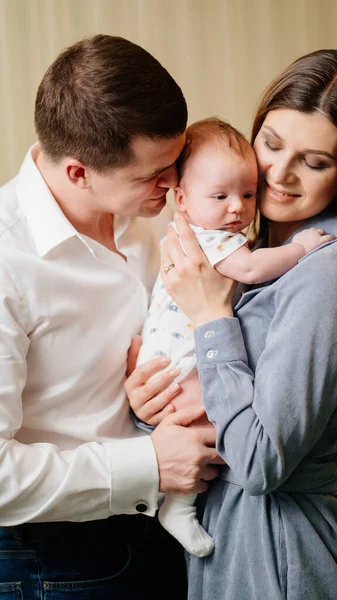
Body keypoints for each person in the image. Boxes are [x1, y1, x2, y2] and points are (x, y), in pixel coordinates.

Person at [128, 49, 337, 599]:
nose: (279, 173)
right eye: (271, 144)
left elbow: (260, 460)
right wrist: (151, 398)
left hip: (279, 559)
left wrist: (210, 317)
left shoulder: (330, 277)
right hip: (224, 547)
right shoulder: (240, 249)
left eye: (315, 162)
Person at [0, 34, 224, 599]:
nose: (175, 185)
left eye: (175, 164)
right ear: (79, 172)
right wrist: (144, 462)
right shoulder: (8, 260)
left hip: (156, 533)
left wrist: (142, 403)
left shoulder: (139, 221)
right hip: (51, 558)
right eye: (155, 174)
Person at [135, 116, 334, 558]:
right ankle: (179, 508)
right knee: (201, 437)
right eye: (221, 196)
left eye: (246, 194)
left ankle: (174, 504)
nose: (237, 209)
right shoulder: (215, 241)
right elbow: (251, 269)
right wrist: (300, 249)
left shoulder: (183, 234)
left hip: (163, 357)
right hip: (183, 361)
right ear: (182, 200)